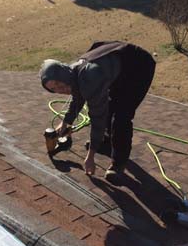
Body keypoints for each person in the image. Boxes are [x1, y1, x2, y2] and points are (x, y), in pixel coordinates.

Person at [40, 41, 156, 185]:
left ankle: (118, 165)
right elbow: (77, 97)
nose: (59, 89)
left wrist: (90, 156)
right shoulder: (72, 74)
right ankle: (106, 142)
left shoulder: (89, 76)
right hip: (117, 70)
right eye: (53, 89)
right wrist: (66, 122)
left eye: (58, 83)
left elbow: (97, 118)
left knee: (121, 117)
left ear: (63, 75)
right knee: (108, 106)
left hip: (138, 67)